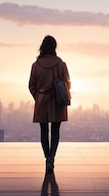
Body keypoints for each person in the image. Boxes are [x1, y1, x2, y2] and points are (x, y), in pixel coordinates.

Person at [28, 35, 71, 173]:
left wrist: (39, 96)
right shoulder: (61, 64)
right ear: (54, 47)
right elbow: (67, 83)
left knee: (44, 131)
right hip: (57, 102)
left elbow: (31, 86)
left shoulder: (36, 65)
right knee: (55, 132)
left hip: (42, 101)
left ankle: (47, 158)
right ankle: (52, 157)